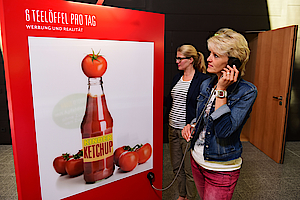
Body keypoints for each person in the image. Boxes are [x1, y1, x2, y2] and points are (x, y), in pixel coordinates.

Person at [182, 28, 257, 200]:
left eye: (216, 55)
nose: (208, 59)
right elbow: (203, 118)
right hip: (197, 160)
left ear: (233, 63)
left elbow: (224, 130)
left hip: (221, 169)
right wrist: (192, 125)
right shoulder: (206, 84)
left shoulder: (246, 92)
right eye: (210, 53)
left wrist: (221, 90)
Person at [165, 44, 209, 200]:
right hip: (172, 128)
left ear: (190, 60)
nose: (177, 61)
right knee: (176, 167)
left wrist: (193, 124)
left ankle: (190, 197)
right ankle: (181, 195)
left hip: (188, 130)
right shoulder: (177, 78)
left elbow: (204, 107)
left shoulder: (203, 80)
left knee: (189, 170)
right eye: (176, 58)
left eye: (180, 58)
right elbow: (171, 101)